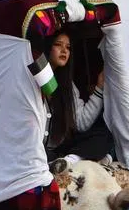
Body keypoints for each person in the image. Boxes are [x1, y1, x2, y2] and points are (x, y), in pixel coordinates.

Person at [37, 31, 110, 163]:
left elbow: (81, 123)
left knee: (102, 135)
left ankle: (70, 161)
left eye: (68, 47)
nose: (64, 50)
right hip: (34, 150)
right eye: (58, 45)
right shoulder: (33, 78)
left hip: (57, 151)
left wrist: (99, 87)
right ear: (47, 47)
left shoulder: (68, 85)